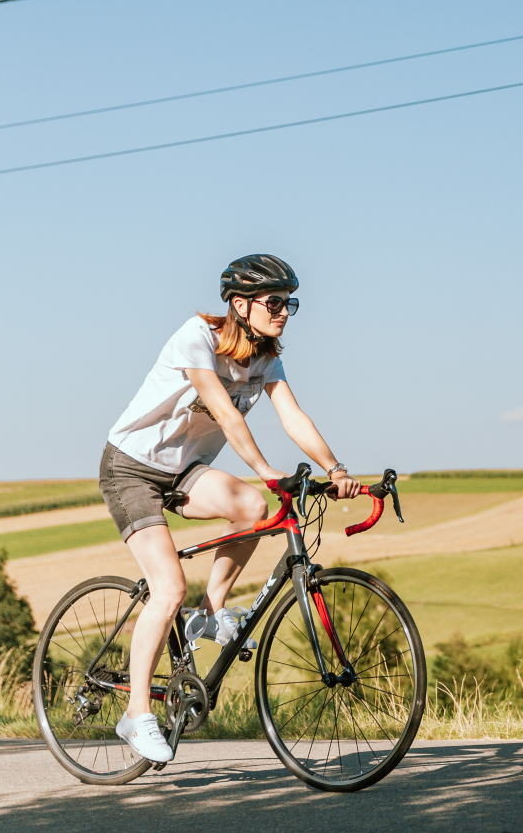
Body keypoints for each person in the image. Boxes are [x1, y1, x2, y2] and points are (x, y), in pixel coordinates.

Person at [98, 254, 360, 768]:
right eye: (275, 302)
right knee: (168, 587)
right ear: (240, 305)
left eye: (291, 302)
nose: (285, 312)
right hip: (131, 468)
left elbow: (293, 414)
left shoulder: (266, 358)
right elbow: (221, 410)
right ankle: (134, 712)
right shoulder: (195, 338)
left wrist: (335, 469)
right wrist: (265, 467)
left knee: (252, 506)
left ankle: (213, 609)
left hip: (183, 470)